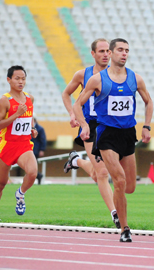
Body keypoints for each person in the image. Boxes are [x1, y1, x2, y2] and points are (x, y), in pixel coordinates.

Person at [73, 38, 153, 242]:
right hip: (106, 134)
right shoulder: (98, 79)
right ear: (111, 52)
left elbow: (148, 101)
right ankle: (124, 229)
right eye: (120, 50)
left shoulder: (136, 79)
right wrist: (83, 125)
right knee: (119, 180)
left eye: (127, 50)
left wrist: (146, 125)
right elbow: (77, 104)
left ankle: (77, 161)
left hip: (128, 134)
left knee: (130, 187)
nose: (124, 53)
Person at [61, 38, 120, 229]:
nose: (105, 55)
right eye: (101, 51)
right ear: (93, 54)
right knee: (102, 173)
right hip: (90, 127)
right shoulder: (83, 74)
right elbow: (66, 93)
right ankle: (115, 213)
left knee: (96, 174)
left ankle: (76, 160)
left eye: (107, 51)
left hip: (109, 126)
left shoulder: (118, 74)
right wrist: (73, 113)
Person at [0, 66, 38, 215]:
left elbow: (29, 118)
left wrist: (33, 129)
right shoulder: (5, 100)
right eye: (17, 78)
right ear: (9, 80)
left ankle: (20, 193)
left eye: (23, 78)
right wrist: (16, 115)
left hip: (24, 145)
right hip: (7, 145)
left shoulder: (30, 98)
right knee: (0, 184)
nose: (21, 82)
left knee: (32, 172)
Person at [31, 117, 46, 185]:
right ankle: (39, 176)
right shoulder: (27, 128)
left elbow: (43, 140)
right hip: (29, 149)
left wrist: (41, 150)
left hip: (35, 150)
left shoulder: (40, 129)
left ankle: (38, 176)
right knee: (30, 167)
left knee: (31, 167)